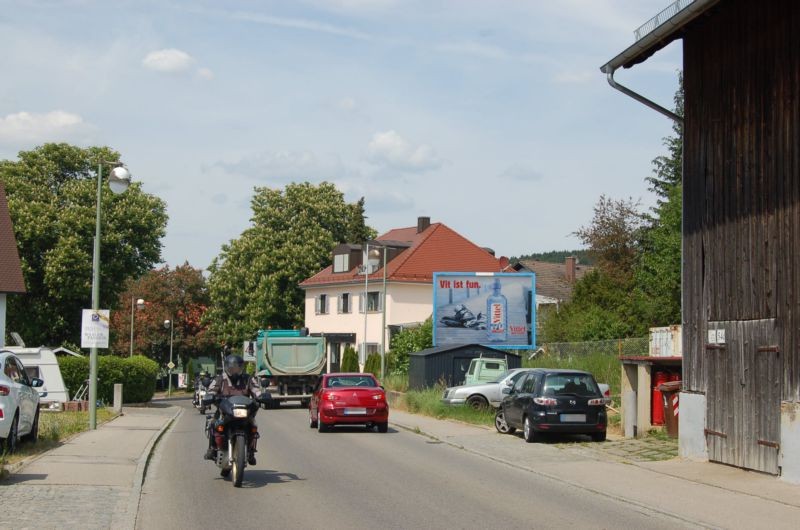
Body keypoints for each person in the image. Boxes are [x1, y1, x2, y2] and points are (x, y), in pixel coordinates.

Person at [204, 354, 264, 465]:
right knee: (213, 423)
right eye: (232, 368)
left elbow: (256, 389)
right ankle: (212, 449)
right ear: (227, 368)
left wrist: (261, 396)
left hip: (244, 410)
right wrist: (210, 395)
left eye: (238, 368)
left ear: (241, 368)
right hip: (226, 410)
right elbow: (212, 389)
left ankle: (251, 451)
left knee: (253, 426)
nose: (235, 371)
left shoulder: (248, 378)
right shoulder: (220, 378)